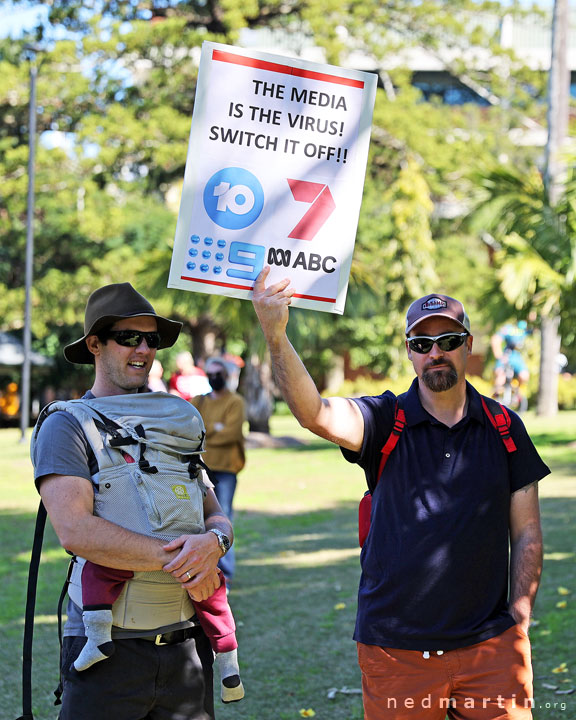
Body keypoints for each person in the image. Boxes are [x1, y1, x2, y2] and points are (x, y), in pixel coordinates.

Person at [252, 267, 550, 720]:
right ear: (409, 353)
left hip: (490, 649)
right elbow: (315, 413)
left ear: (469, 345)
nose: (436, 353)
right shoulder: (384, 419)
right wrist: (276, 335)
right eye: (422, 343)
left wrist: (520, 617)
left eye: (448, 341)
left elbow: (527, 531)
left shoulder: (505, 427)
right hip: (395, 651)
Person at [32, 282, 236, 720]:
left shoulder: (180, 421)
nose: (143, 349)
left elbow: (215, 515)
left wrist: (215, 543)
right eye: (128, 337)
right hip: (107, 651)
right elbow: (76, 531)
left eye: (152, 339)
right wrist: (186, 559)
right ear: (95, 345)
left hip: (186, 646)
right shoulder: (67, 426)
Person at [191, 358, 246, 581]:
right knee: (198, 520)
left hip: (226, 469)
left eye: (219, 373)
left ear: (227, 375)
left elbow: (231, 434)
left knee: (223, 518)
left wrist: (205, 431)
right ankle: (205, 567)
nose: (215, 378)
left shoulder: (235, 402)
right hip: (199, 470)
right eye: (210, 373)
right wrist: (215, 428)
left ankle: (227, 571)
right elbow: (189, 429)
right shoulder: (198, 401)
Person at [491, 321, 530, 400]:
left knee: (524, 375)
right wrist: (499, 355)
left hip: (517, 358)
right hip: (506, 356)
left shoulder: (526, 330)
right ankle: (495, 397)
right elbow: (495, 339)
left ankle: (516, 393)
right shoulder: (509, 329)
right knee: (500, 376)